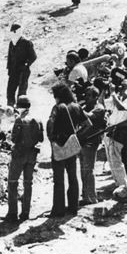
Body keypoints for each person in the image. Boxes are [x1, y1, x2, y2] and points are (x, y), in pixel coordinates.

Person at [46, 83, 85, 217]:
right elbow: (88, 124)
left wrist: (52, 140)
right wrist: (76, 137)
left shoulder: (57, 108)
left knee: (59, 179)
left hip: (59, 146)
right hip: (71, 146)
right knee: (73, 177)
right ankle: (73, 207)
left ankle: (58, 210)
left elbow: (50, 126)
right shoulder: (77, 106)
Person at [3, 96, 42, 222]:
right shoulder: (38, 119)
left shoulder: (19, 120)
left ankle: (12, 213)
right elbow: (41, 138)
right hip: (32, 154)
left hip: (19, 154)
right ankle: (25, 212)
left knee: (12, 182)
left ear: (19, 107)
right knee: (28, 183)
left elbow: (14, 138)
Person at [79, 86, 107, 205]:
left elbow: (89, 116)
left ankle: (91, 197)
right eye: (86, 95)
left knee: (88, 170)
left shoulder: (99, 108)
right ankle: (86, 195)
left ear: (96, 97)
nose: (87, 97)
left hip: (91, 141)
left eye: (89, 95)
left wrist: (78, 108)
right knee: (83, 170)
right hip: (83, 141)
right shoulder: (86, 106)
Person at [6, 23, 37, 107]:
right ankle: (10, 108)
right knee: (10, 91)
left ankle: (21, 108)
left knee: (21, 92)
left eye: (14, 31)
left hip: (23, 71)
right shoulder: (12, 43)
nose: (12, 33)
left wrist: (26, 65)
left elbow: (33, 56)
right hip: (13, 71)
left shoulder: (26, 42)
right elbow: (9, 57)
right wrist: (9, 69)